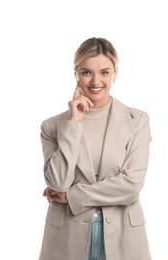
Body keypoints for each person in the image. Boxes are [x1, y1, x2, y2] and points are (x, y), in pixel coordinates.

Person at [38, 37, 152, 260]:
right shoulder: (52, 126)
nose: (95, 81)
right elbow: (58, 182)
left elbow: (131, 186)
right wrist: (74, 123)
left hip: (124, 235)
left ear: (115, 72)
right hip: (67, 237)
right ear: (76, 73)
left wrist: (72, 195)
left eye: (105, 72)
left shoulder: (137, 120)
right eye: (87, 72)